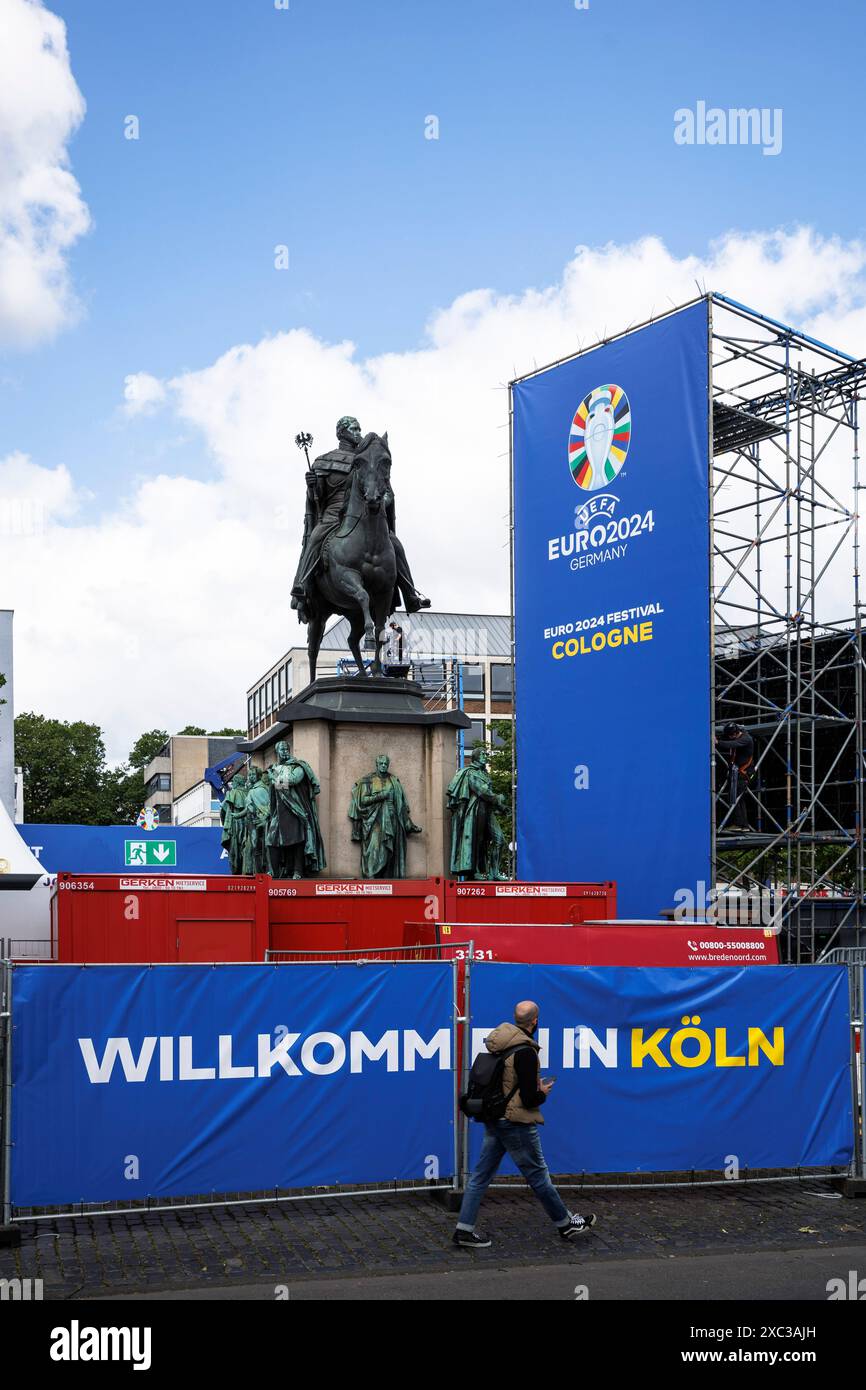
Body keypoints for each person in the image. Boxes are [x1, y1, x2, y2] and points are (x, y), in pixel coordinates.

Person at [453, 1000, 596, 1248]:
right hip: (515, 1122)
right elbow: (530, 1099)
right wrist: (543, 1091)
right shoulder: (526, 1052)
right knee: (539, 1176)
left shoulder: (499, 1043)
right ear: (535, 1021)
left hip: (494, 1119)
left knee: (480, 1176)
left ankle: (464, 1230)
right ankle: (565, 1224)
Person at [291, 416, 430, 622]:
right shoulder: (324, 460)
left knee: (395, 545)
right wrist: (312, 486)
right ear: (341, 432)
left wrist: (381, 501)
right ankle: (303, 584)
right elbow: (318, 497)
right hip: (333, 514)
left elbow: (387, 490)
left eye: (359, 429)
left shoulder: (370, 457)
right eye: (353, 429)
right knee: (315, 538)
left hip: (367, 514)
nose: (358, 432)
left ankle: (410, 594)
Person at [716, 721, 754, 831]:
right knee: (738, 799)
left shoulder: (746, 739)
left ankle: (739, 824)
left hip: (744, 774)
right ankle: (743, 825)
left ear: (734, 734)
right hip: (738, 772)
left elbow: (732, 744)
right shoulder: (738, 736)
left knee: (735, 798)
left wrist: (717, 742)